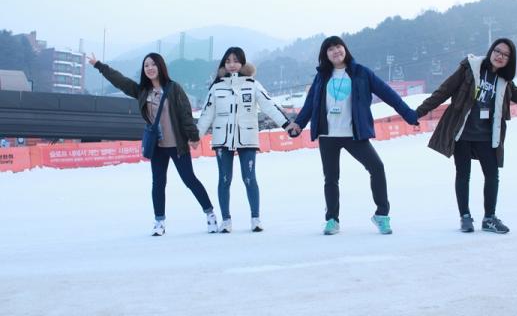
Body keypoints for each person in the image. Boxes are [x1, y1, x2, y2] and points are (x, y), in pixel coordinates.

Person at [415, 38, 517, 234]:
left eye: (505, 55)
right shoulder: (470, 68)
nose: (500, 56)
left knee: (492, 175)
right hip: (462, 133)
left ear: (509, 60)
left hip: (487, 136)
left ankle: (489, 218)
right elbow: (443, 92)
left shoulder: (505, 82)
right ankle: (465, 217)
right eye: (497, 51)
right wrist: (418, 113)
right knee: (463, 174)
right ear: (491, 50)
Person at [288, 36, 419, 235]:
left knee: (377, 168)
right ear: (325, 55)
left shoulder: (361, 73)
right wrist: (299, 124)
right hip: (328, 135)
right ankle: (332, 219)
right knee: (331, 178)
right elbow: (310, 103)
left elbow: (388, 94)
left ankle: (381, 215)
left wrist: (408, 114)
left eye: (338, 46)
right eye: (330, 49)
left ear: (345, 49)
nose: (335, 51)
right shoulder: (322, 76)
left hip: (354, 134)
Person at [87, 52, 218, 236]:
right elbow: (120, 81)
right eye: (146, 65)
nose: (149, 68)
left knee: (189, 179)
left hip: (177, 144)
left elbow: (185, 114)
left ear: (160, 66)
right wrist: (99, 65)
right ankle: (159, 221)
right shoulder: (143, 91)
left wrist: (193, 136)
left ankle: (210, 214)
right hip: (157, 147)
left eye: (153, 64)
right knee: (158, 183)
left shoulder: (173, 88)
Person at [197, 47, 292, 233]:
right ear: (224, 64)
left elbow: (269, 106)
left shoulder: (253, 85)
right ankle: (226, 220)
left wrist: (287, 125)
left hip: (247, 138)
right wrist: (195, 137)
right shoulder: (217, 87)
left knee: (249, 178)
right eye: (228, 61)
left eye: (236, 61)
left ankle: (255, 218)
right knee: (224, 179)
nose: (232, 65)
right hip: (222, 140)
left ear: (242, 63)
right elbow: (207, 114)